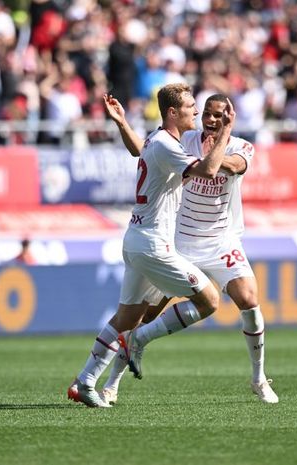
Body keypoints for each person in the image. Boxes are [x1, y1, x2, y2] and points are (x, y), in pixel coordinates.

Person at [99, 93, 278, 404]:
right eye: (206, 113)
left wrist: (217, 144)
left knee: (249, 300)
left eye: (218, 115)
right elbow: (145, 151)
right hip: (178, 240)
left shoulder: (241, 146)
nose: (210, 119)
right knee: (143, 313)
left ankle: (258, 378)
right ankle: (112, 382)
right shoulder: (185, 140)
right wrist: (123, 124)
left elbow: (234, 166)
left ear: (230, 118)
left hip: (220, 240)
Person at [67, 83, 235, 407]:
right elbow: (210, 169)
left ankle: (85, 381)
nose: (196, 112)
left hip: (136, 240)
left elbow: (138, 150)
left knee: (125, 319)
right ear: (173, 112)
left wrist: (121, 122)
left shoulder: (160, 141)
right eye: (190, 106)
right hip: (153, 245)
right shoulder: (166, 146)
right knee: (210, 300)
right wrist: (226, 131)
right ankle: (141, 341)